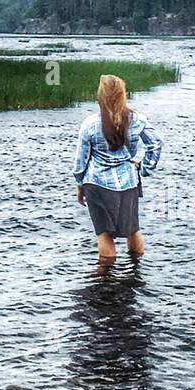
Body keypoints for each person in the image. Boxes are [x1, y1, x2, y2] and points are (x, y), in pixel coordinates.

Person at [73, 73, 162, 263]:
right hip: (128, 182)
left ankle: (105, 282)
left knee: (104, 234)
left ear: (100, 96)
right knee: (133, 229)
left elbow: (80, 162)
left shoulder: (89, 124)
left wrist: (80, 185)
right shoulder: (137, 120)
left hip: (96, 184)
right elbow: (156, 144)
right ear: (122, 95)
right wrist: (145, 168)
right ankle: (135, 274)